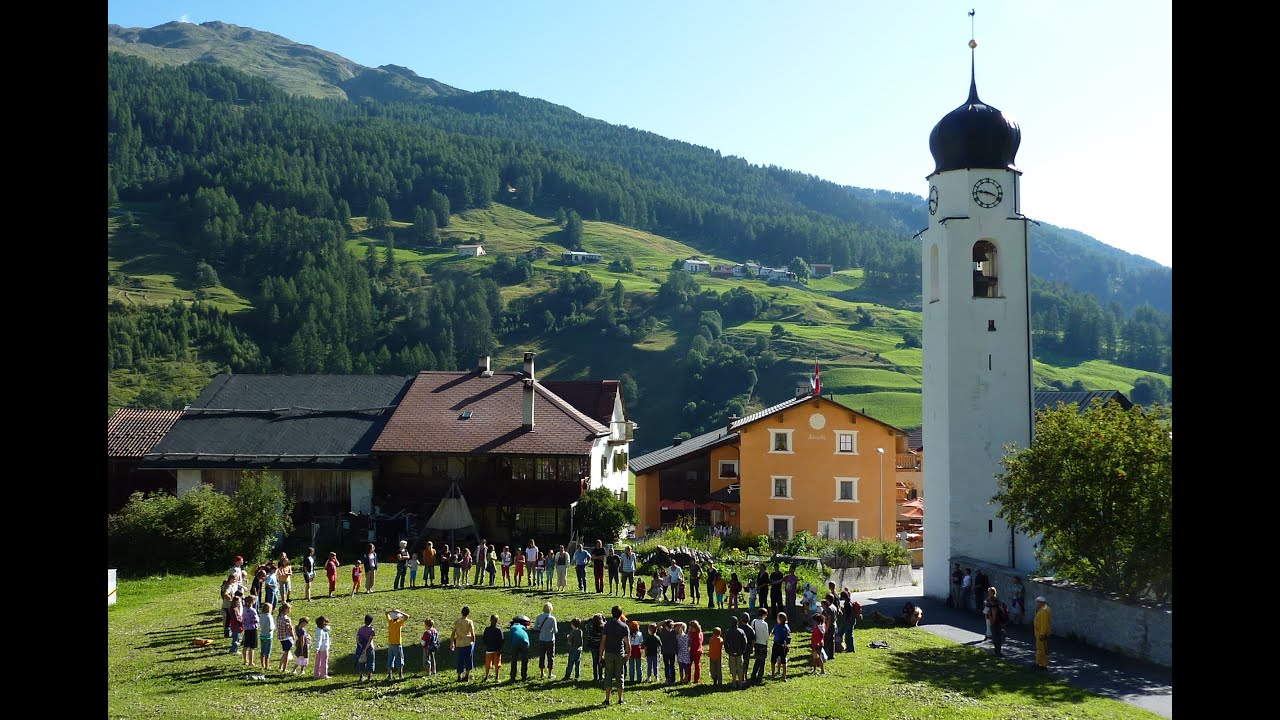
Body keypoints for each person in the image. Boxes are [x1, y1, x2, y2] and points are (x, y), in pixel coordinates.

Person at [600, 605, 631, 706]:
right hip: (619, 653)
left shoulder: (607, 625)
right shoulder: (624, 626)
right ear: (621, 614)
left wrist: (601, 655)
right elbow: (627, 643)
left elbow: (603, 641)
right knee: (620, 675)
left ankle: (607, 699)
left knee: (608, 675)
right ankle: (620, 699)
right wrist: (628, 654)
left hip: (609, 653)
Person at [533, 601, 558, 679]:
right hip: (550, 639)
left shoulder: (539, 617)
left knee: (542, 656)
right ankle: (550, 673)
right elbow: (555, 631)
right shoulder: (552, 618)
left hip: (542, 639)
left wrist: (541, 628)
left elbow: (535, 628)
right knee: (550, 656)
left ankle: (542, 673)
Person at [451, 606, 476, 681]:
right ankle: (467, 675)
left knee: (460, 660)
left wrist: (452, 643)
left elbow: (453, 633)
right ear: (468, 614)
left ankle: (459, 676)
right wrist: (473, 641)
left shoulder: (457, 622)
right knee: (468, 659)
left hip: (459, 643)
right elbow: (473, 633)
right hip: (468, 642)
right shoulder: (470, 622)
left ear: (461, 612)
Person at [725, 614, 750, 689]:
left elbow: (726, 643)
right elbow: (745, 642)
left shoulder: (728, 632)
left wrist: (728, 651)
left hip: (731, 653)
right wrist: (743, 650)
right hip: (739, 653)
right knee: (740, 668)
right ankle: (740, 683)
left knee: (733, 668)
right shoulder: (741, 631)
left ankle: (734, 682)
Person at [385, 608, 410, 680]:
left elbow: (386, 613)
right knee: (399, 659)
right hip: (397, 644)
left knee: (390, 659)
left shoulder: (390, 621)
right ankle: (400, 674)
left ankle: (389, 675)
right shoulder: (399, 623)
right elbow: (407, 616)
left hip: (390, 644)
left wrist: (391, 611)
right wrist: (400, 612)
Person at [508, 615, 531, 681]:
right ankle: (524, 676)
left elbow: (511, 638)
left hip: (515, 642)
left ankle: (513, 677)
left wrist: (511, 646)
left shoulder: (512, 628)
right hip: (525, 642)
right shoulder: (523, 627)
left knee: (514, 659)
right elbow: (526, 636)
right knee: (524, 659)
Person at [482, 614, 504, 682]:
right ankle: (497, 677)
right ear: (497, 621)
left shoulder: (487, 629)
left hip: (488, 649)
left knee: (488, 664)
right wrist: (500, 648)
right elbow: (501, 639)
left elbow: (484, 638)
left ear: (490, 620)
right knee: (497, 664)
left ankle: (486, 676)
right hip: (497, 649)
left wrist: (486, 645)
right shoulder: (498, 629)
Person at [750, 608, 769, 684]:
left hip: (756, 643)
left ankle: (753, 675)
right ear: (764, 615)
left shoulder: (754, 621)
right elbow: (766, 635)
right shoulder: (764, 624)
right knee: (762, 662)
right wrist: (767, 643)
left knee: (757, 660)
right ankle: (759, 678)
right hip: (763, 644)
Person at [355, 614, 376, 683]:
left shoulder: (361, 629)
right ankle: (369, 677)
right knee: (370, 662)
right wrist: (366, 648)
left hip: (361, 649)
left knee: (361, 662)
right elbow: (370, 641)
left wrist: (361, 646)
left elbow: (357, 639)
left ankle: (361, 676)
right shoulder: (372, 630)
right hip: (370, 648)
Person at [770, 611, 791, 681]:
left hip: (776, 644)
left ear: (779, 619)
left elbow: (772, 634)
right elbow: (789, 635)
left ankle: (773, 675)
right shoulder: (786, 626)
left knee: (773, 660)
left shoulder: (776, 626)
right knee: (784, 660)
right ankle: (784, 676)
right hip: (784, 644)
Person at [1034, 596, 1052, 670]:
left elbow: (1044, 624)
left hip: (1041, 634)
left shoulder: (1043, 611)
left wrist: (1042, 634)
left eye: (1037, 602)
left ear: (1041, 603)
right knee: (1043, 649)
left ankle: (1038, 663)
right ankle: (1043, 664)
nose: (1036, 604)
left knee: (1040, 649)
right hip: (1041, 633)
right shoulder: (1045, 608)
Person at [585, 613, 604, 683]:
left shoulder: (591, 628)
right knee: (600, 661)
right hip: (600, 646)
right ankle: (600, 677)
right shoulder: (602, 628)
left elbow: (586, 625)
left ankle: (595, 677)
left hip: (593, 646)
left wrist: (589, 621)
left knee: (594, 662)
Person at [658, 618, 678, 685]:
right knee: (672, 666)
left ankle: (668, 679)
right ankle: (673, 680)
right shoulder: (674, 631)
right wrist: (673, 623)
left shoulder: (663, 631)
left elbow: (658, 625)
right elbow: (682, 624)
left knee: (667, 666)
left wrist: (664, 621)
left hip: (665, 651)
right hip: (672, 651)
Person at [241, 596, 259, 666]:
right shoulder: (253, 610)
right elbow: (256, 619)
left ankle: (245, 660)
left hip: (246, 629)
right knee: (252, 647)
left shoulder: (244, 609)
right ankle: (251, 662)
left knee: (245, 645)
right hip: (252, 629)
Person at [276, 603, 294, 673]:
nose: (290, 610)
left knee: (285, 652)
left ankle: (280, 666)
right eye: (289, 609)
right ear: (286, 609)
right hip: (286, 637)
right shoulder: (287, 619)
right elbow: (290, 629)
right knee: (287, 653)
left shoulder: (278, 617)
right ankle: (284, 668)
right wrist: (293, 636)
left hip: (281, 637)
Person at [258, 601, 275, 670]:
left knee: (262, 651)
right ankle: (267, 665)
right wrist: (273, 628)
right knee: (267, 652)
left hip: (262, 634)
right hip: (268, 636)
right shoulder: (269, 616)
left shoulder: (261, 616)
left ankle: (262, 664)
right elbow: (270, 627)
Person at [687, 619, 704, 684]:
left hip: (692, 651)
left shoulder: (692, 634)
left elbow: (689, 641)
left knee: (689, 665)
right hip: (699, 650)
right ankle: (696, 679)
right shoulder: (700, 633)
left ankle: (688, 678)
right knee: (697, 665)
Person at [627, 620, 644, 684]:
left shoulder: (628, 634)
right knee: (638, 665)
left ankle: (632, 678)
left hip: (631, 649)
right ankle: (639, 678)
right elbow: (641, 641)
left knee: (631, 665)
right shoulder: (640, 634)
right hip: (637, 649)